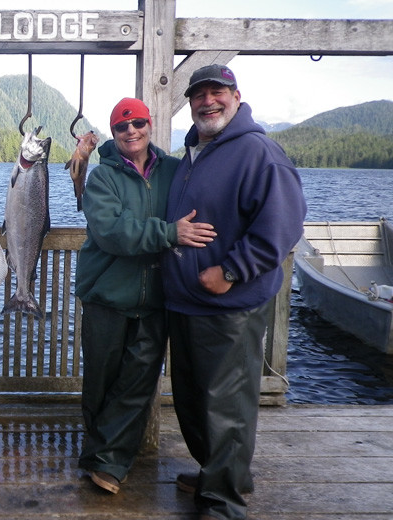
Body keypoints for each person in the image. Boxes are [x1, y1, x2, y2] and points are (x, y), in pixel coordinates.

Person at [162, 65, 307, 520]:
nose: (208, 101)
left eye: (217, 92)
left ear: (236, 96)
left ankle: (224, 502)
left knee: (226, 405)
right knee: (193, 401)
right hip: (185, 303)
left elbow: (282, 227)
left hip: (229, 306)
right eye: (199, 94)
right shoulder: (193, 152)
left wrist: (230, 270)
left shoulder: (259, 152)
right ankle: (219, 473)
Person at [75, 97, 216, 494]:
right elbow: (111, 231)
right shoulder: (102, 177)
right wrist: (169, 233)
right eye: (122, 127)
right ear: (114, 133)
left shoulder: (175, 170)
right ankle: (98, 454)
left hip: (157, 298)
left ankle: (108, 463)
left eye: (137, 123)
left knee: (138, 385)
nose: (131, 131)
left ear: (149, 125)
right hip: (106, 295)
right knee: (101, 383)